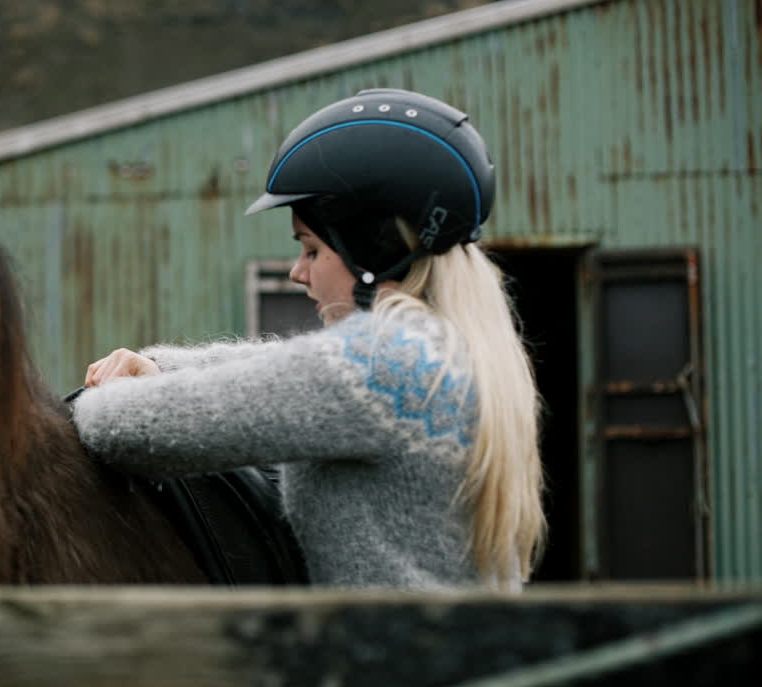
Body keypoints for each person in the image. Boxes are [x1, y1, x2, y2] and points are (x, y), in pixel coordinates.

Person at [70, 88, 545, 590]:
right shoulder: (444, 355)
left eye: (312, 249)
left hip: (380, 664)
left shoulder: (383, 367)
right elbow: (286, 373)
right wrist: (161, 369)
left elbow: (128, 430)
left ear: (374, 250)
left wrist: (95, 398)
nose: (299, 272)